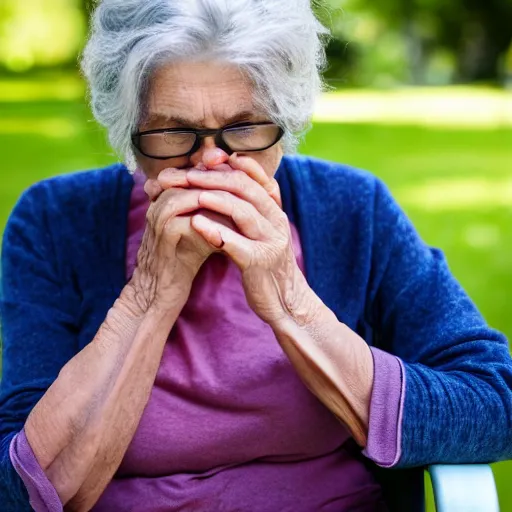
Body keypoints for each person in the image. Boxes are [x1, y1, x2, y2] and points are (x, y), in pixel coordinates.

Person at [1, 1, 511, 511]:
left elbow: (494, 400)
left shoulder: (353, 210)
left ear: (284, 121)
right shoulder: (54, 222)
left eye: (244, 128)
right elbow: (16, 486)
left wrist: (290, 301)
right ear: (129, 132)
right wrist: (149, 298)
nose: (211, 163)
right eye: (172, 132)